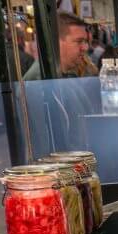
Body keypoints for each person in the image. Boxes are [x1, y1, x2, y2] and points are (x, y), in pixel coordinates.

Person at [21, 13, 100, 155]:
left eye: (85, 42)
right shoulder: (38, 81)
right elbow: (42, 145)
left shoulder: (66, 78)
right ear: (56, 42)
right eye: (79, 41)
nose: (85, 48)